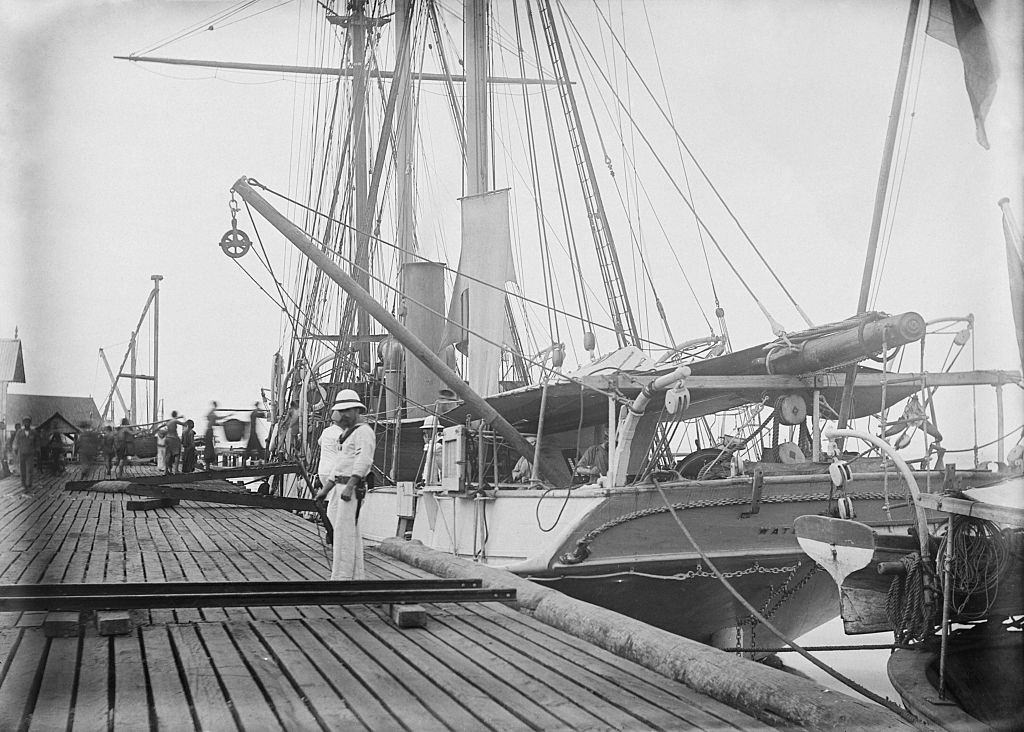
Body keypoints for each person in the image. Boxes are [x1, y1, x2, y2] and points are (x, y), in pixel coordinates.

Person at [314, 389, 374, 580]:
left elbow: (363, 461)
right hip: (341, 487)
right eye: (342, 411)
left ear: (357, 410)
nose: (343, 415)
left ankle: (343, 579)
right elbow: (340, 465)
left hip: (351, 489)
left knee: (345, 535)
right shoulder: (348, 433)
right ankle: (352, 577)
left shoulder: (364, 432)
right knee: (341, 533)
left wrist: (350, 486)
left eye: (347, 411)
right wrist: (326, 490)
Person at [13, 417, 36, 490]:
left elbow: (36, 442)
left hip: (30, 453)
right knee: (22, 469)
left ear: (30, 423)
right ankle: (23, 483)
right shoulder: (19, 432)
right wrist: (15, 449)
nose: (27, 423)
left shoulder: (33, 432)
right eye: (25, 422)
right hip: (22, 453)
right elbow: (16, 441)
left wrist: (36, 450)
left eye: (28, 422)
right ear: (23, 423)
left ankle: (29, 483)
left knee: (30, 469)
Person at [419, 415, 442, 485]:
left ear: (432, 430)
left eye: (426, 431)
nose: (425, 433)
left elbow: (430, 465)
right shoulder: (433, 445)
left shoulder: (437, 446)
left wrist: (426, 481)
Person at [204, 402, 219, 468]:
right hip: (209, 431)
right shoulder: (212, 414)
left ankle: (208, 465)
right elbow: (217, 418)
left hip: (209, 431)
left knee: (209, 446)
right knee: (209, 446)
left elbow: (215, 422)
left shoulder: (212, 415)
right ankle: (208, 465)